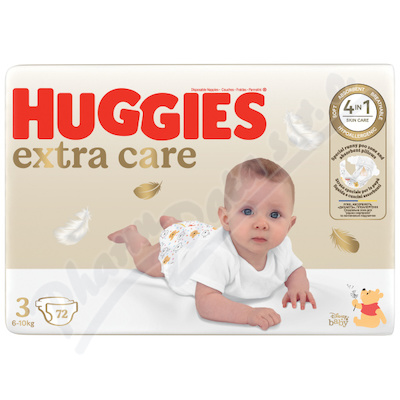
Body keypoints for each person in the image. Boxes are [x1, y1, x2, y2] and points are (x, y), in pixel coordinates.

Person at [108, 158, 316, 330]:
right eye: (247, 211)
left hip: (199, 236)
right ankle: (131, 234)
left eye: (274, 215)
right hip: (182, 252)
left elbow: (295, 269)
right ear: (226, 219)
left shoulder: (282, 247)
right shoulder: (218, 256)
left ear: (290, 225)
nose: (261, 224)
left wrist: (299, 287)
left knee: (186, 232)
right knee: (146, 262)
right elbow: (206, 302)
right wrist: (249, 314)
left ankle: (173, 223)